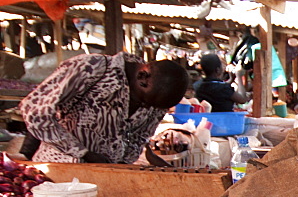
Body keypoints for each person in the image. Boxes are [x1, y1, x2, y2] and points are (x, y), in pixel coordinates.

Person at [19, 52, 188, 163]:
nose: (146, 109)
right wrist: (82, 153)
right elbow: (34, 111)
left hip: (107, 178)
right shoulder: (91, 68)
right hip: (59, 172)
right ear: (142, 76)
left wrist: (123, 164)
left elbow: (139, 138)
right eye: (143, 102)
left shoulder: (156, 98)